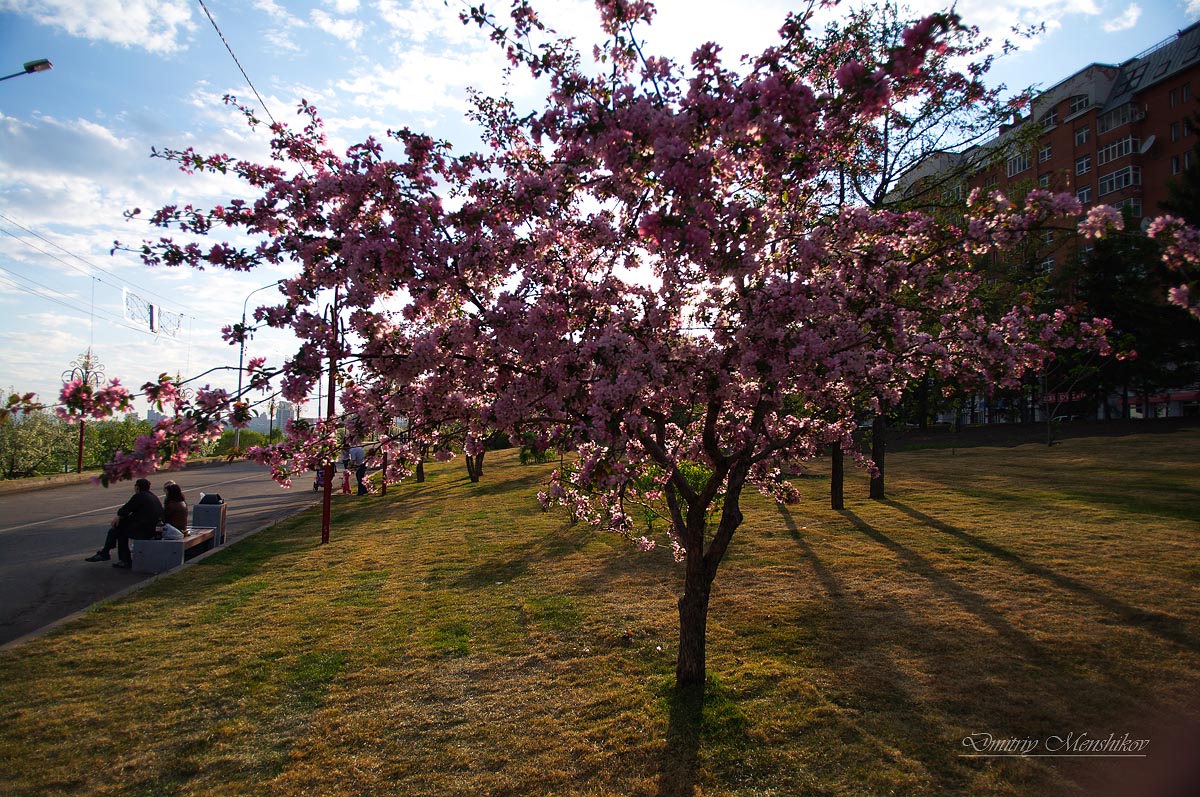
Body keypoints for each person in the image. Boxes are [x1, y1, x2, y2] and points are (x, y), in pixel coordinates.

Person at [84, 478, 164, 569]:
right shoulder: (152, 496)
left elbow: (124, 510)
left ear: (137, 487)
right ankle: (111, 554)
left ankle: (110, 554)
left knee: (118, 530)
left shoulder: (139, 497)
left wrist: (119, 517)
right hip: (155, 528)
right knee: (120, 530)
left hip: (146, 530)